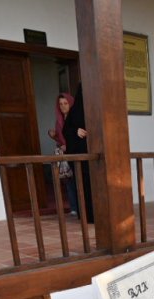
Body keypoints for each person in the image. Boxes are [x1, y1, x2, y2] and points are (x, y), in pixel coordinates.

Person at [63, 83, 94, 225]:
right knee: (84, 184)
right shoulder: (75, 111)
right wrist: (76, 131)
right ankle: (87, 215)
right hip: (81, 155)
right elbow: (66, 129)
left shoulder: (97, 107)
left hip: (97, 155)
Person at [48, 92, 79, 217]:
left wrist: (69, 145)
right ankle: (74, 207)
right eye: (60, 104)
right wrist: (54, 136)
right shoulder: (59, 121)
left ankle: (81, 207)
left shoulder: (76, 118)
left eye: (65, 103)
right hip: (64, 153)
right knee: (68, 180)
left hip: (75, 152)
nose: (63, 106)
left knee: (78, 180)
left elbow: (78, 136)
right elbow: (61, 139)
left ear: (71, 103)